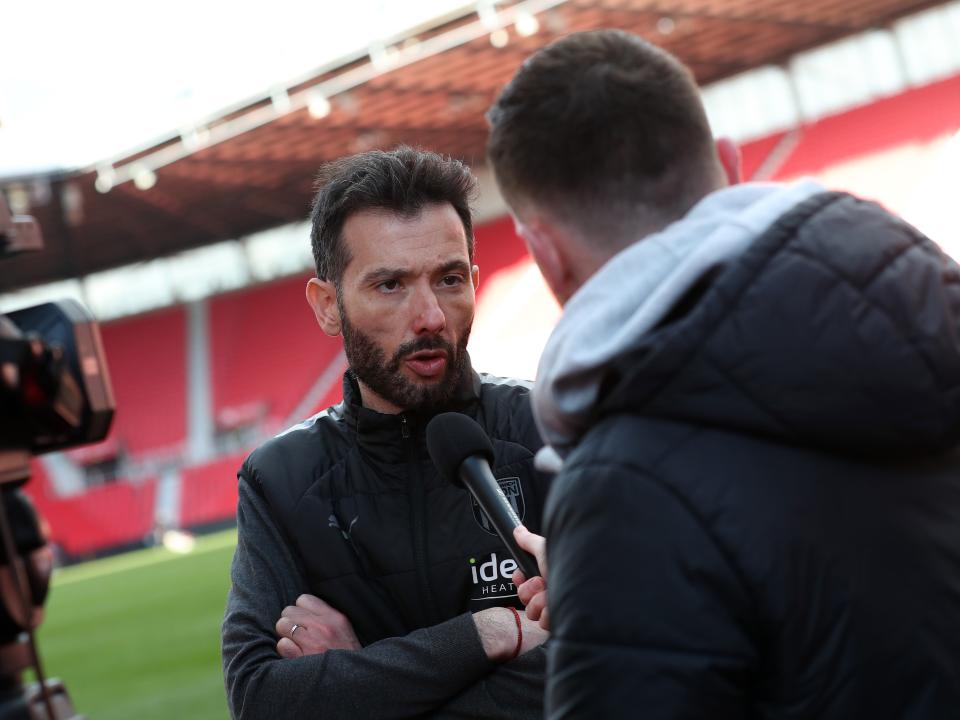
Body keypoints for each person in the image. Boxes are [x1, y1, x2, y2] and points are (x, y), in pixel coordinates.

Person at [487, 29, 960, 719]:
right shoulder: (933, 315)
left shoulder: (625, 487)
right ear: (731, 167)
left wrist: (610, 585)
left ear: (543, 253)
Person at [221, 147, 551, 719]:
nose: (430, 316)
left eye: (449, 279)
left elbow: (611, 663)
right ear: (328, 306)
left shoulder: (550, 431)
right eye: (391, 285)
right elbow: (262, 699)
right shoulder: (280, 481)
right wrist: (488, 633)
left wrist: (363, 676)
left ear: (474, 281)